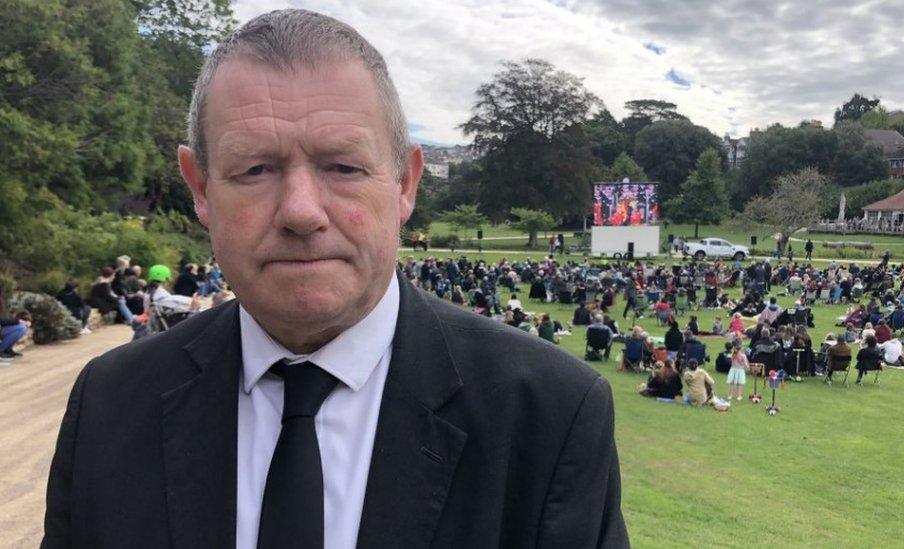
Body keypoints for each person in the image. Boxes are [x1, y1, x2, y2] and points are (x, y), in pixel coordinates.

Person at [43, 11, 627, 548]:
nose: (301, 211)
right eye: (255, 169)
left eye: (343, 167)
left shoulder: (549, 411)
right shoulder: (112, 402)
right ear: (200, 188)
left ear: (405, 183)